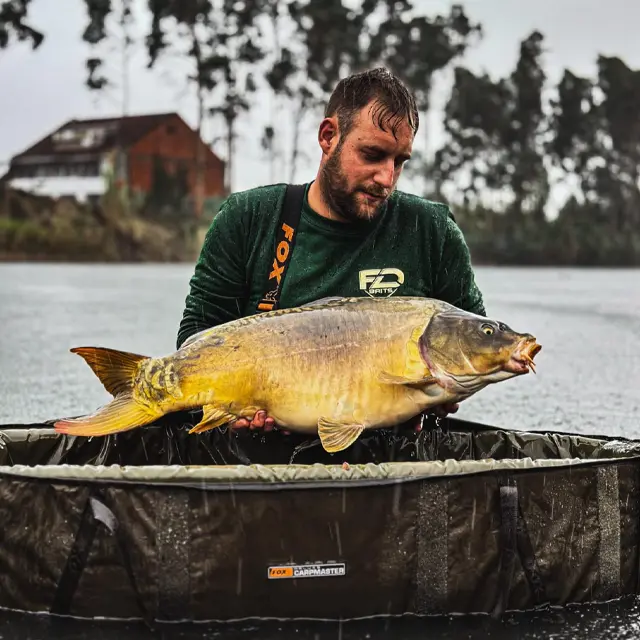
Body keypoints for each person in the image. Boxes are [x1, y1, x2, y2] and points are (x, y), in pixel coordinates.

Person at [175, 67, 486, 461]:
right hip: (260, 460)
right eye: (372, 155)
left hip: (390, 466)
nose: (386, 178)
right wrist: (230, 409)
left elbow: (474, 340)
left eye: (400, 161)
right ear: (328, 137)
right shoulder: (248, 218)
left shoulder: (432, 230)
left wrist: (445, 391)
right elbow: (196, 338)